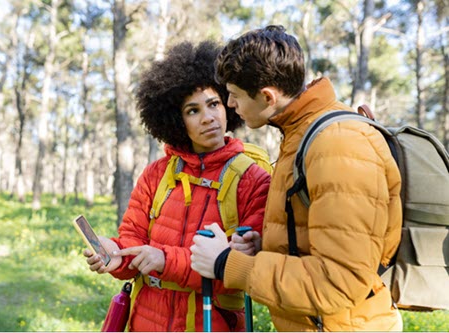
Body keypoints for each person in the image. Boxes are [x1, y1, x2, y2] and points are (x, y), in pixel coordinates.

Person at [190, 25, 403, 331]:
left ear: (267, 96)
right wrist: (268, 244)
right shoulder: (303, 134)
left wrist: (228, 264)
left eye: (234, 95)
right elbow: (321, 235)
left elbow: (339, 282)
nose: (231, 105)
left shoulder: (338, 146)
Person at [82, 40, 271, 332]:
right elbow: (132, 239)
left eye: (214, 104)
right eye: (192, 110)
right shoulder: (157, 174)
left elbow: (239, 267)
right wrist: (115, 253)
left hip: (211, 323)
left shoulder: (253, 180)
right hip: (144, 320)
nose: (208, 117)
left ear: (228, 104)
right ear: (176, 120)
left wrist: (164, 260)